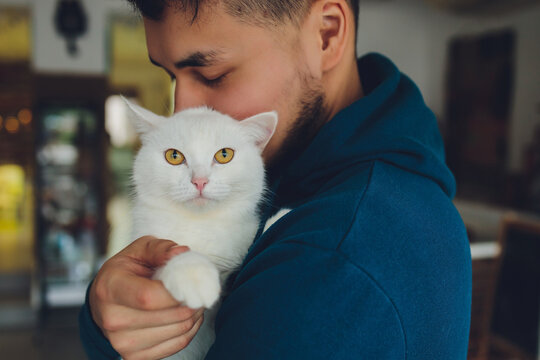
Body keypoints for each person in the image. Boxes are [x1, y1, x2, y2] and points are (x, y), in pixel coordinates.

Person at [79, 0, 472, 359]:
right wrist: (107, 314)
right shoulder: (292, 163)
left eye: (211, 74)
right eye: (171, 75)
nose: (183, 109)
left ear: (326, 34)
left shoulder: (337, 257)